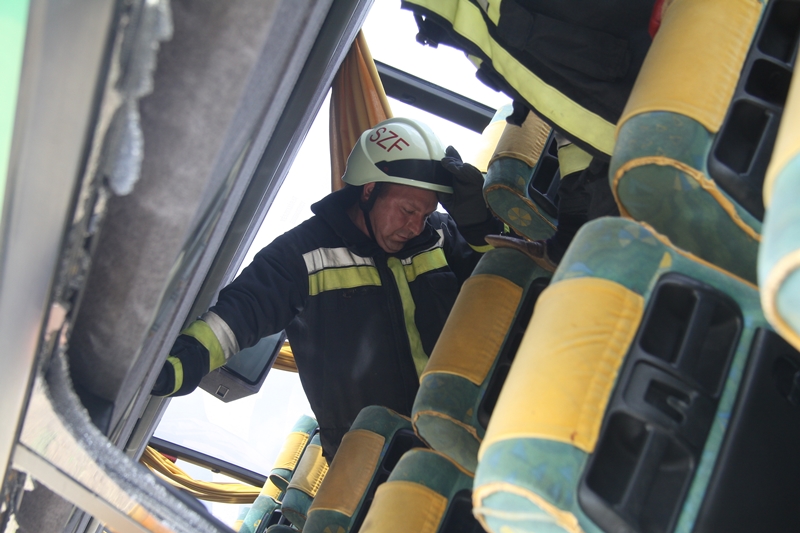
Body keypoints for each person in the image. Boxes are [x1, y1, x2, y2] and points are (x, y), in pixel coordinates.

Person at [151, 117, 502, 458]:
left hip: (475, 425)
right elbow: (237, 318)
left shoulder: (440, 235)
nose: (414, 227)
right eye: (408, 210)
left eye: (424, 215)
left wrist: (480, 227)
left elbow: (503, 292)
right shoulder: (299, 256)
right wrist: (172, 369)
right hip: (379, 462)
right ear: (369, 191)